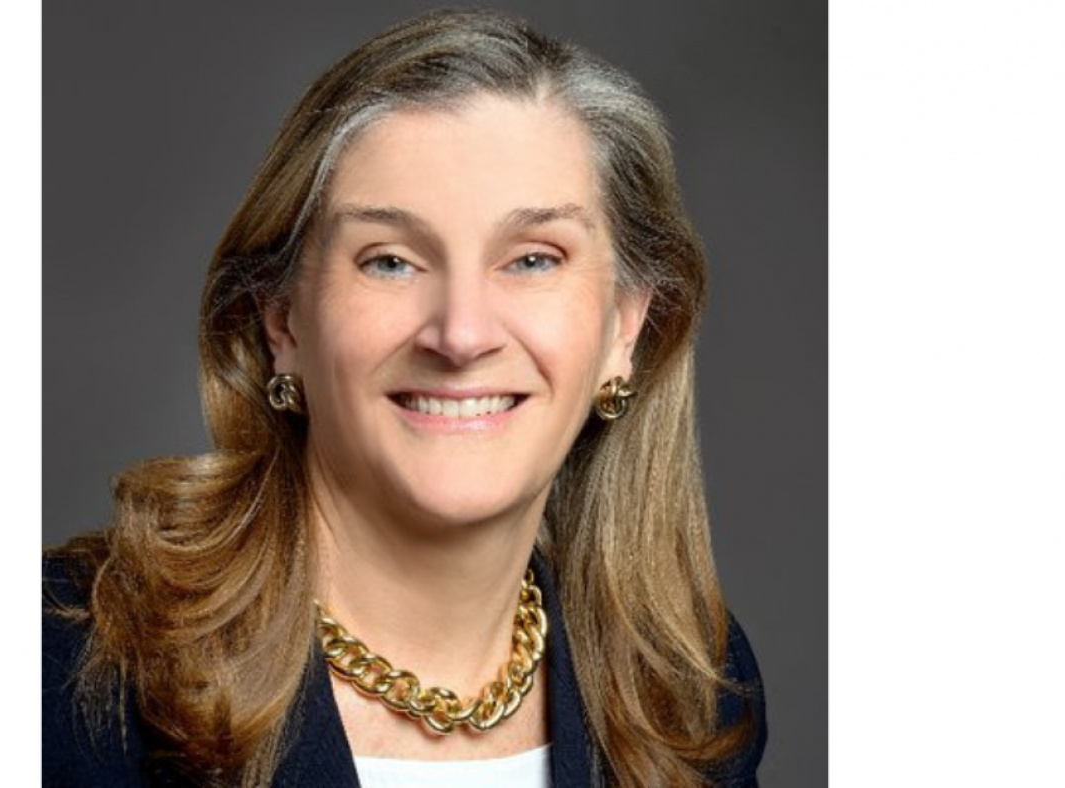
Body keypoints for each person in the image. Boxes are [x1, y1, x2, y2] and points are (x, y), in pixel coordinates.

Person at [44, 8, 766, 787]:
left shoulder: (691, 693)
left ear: (626, 327)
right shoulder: (66, 671)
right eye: (390, 261)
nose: (460, 335)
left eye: (531, 259)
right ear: (282, 321)